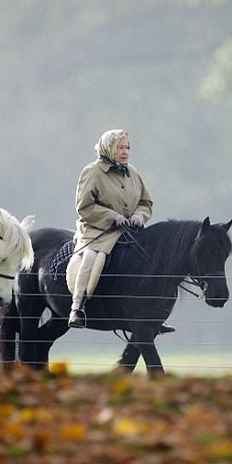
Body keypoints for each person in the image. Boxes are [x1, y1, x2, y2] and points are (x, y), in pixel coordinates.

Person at [68, 129, 174, 334]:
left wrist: (138, 216)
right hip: (97, 229)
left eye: (127, 147)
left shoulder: (132, 172)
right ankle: (77, 307)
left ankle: (153, 316)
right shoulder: (92, 171)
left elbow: (146, 202)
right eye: (120, 148)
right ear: (108, 148)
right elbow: (84, 207)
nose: (125, 152)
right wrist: (111, 217)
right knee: (91, 259)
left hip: (130, 231)